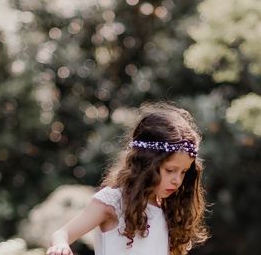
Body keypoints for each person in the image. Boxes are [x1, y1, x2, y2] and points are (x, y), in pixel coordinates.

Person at [46, 102, 209, 255]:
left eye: (183, 172)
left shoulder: (167, 209)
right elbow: (62, 233)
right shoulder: (113, 202)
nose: (177, 180)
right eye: (170, 170)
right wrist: (61, 246)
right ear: (146, 164)